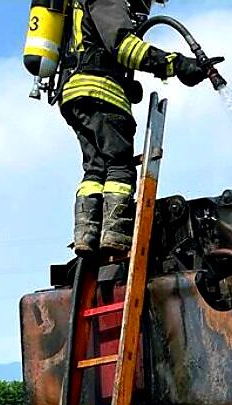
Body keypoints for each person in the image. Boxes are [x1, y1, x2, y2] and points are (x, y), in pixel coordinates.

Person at [61, 0, 211, 254]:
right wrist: (175, 64)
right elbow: (124, 46)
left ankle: (87, 235)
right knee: (119, 165)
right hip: (102, 93)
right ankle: (115, 233)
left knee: (95, 169)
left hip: (74, 93)